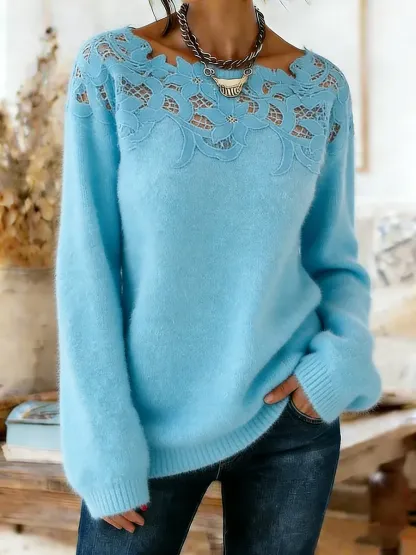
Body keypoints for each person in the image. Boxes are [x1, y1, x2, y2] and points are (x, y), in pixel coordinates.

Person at [56, 0, 382, 553]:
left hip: (289, 424)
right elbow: (86, 267)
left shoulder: (321, 88)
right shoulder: (111, 67)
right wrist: (104, 443)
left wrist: (339, 362)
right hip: (147, 434)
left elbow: (334, 259)